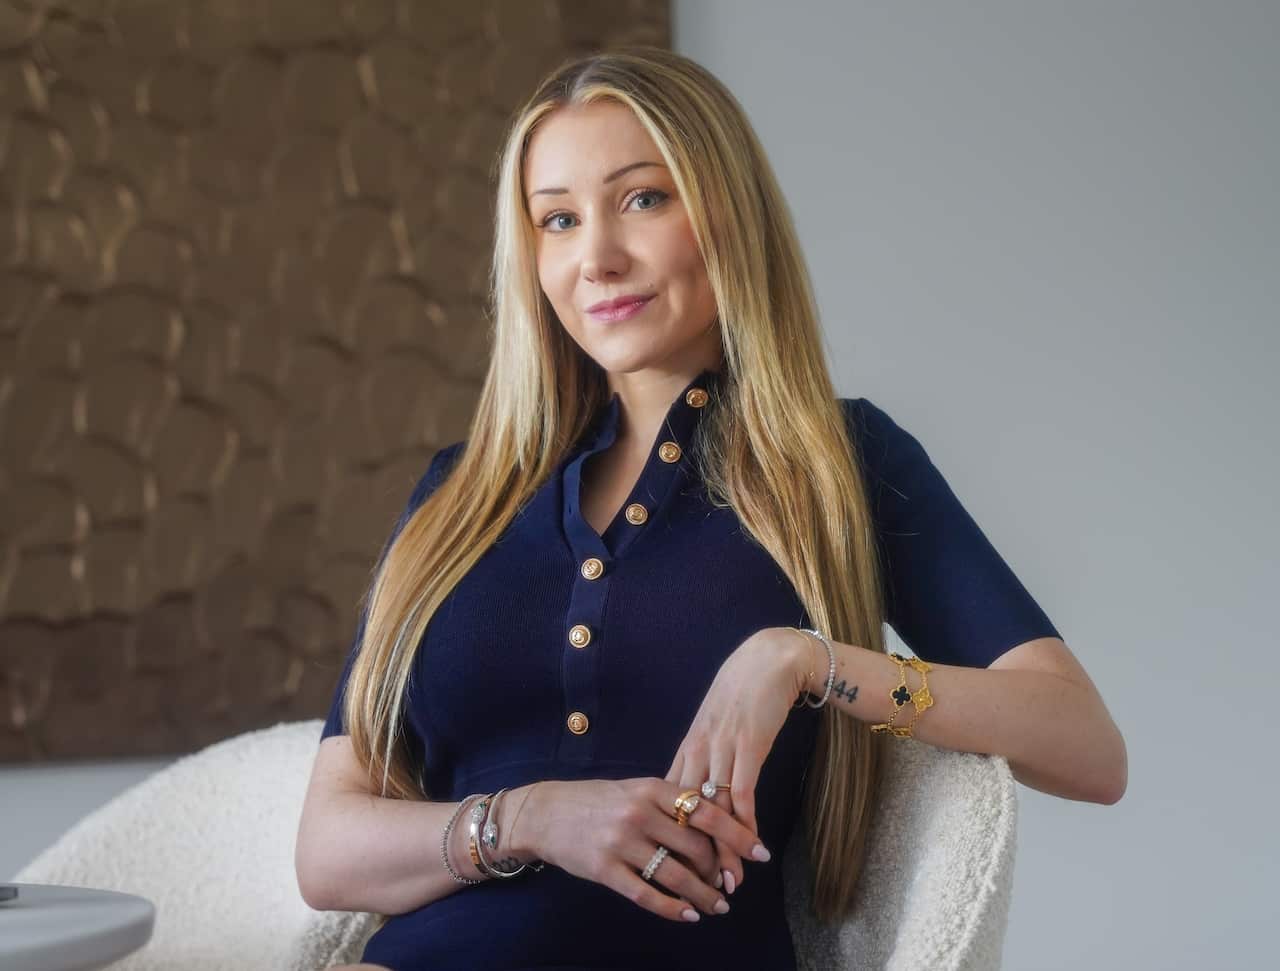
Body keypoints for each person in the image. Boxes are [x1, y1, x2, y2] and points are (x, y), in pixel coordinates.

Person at [295, 46, 1126, 971]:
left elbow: (1085, 747)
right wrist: (529, 818)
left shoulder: (839, 465)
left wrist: (810, 660)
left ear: (726, 210)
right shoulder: (460, 495)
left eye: (643, 199)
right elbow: (327, 851)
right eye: (558, 221)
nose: (598, 258)